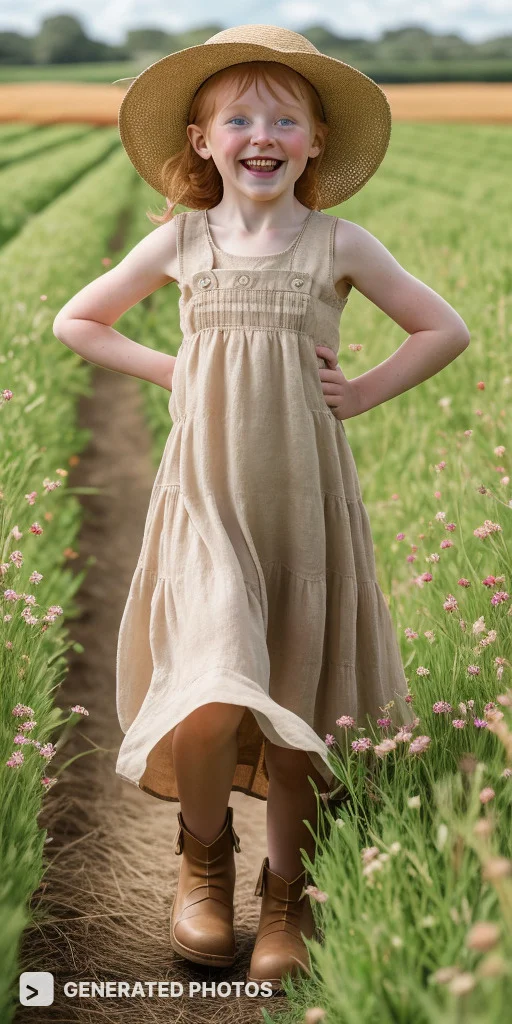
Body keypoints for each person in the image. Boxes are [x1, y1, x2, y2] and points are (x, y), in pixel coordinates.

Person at [53, 24, 470, 994]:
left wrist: (361, 389)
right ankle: (204, 863)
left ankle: (287, 891)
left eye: (283, 117)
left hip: (302, 506)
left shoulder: (337, 243)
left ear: (315, 139)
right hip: (206, 497)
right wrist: (174, 369)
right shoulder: (183, 241)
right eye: (237, 116)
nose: (260, 133)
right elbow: (78, 318)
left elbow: (439, 326)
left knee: (291, 710)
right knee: (205, 692)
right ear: (201, 140)